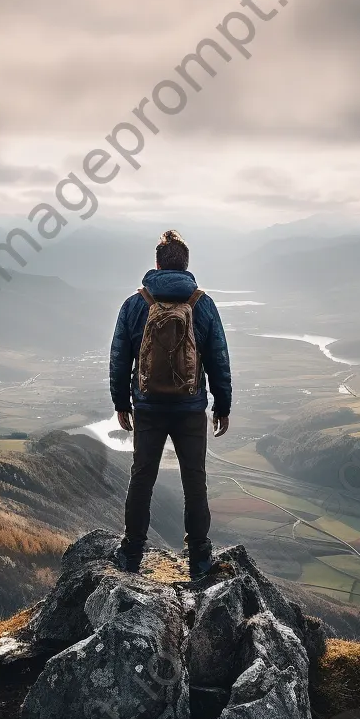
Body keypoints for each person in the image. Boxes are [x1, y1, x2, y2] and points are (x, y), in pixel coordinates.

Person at [109, 229, 232, 577]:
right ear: (186, 265)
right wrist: (221, 405)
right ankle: (200, 559)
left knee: (141, 478)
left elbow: (119, 358)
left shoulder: (136, 304)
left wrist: (122, 402)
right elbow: (218, 358)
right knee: (195, 481)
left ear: (158, 264)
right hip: (191, 409)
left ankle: (131, 553)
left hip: (147, 408)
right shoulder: (202, 304)